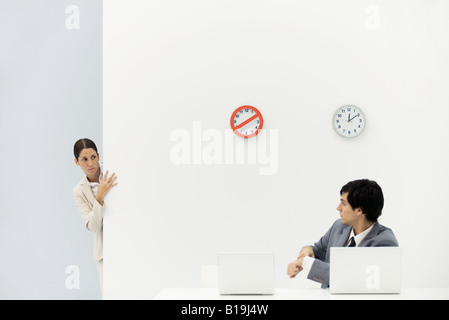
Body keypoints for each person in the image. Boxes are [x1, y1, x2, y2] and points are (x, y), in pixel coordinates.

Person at [286, 179, 398, 288]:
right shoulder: (339, 226)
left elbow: (349, 278)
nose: (338, 208)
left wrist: (306, 263)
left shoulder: (385, 242)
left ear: (359, 210)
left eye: (343, 203)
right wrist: (307, 251)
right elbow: (318, 252)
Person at [72, 138, 117, 296]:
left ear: (98, 155)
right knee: (110, 295)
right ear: (77, 162)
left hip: (126, 239)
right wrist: (100, 196)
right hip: (105, 249)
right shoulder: (79, 191)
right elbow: (93, 226)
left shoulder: (113, 173)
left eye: (93, 157)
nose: (90, 163)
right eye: (84, 159)